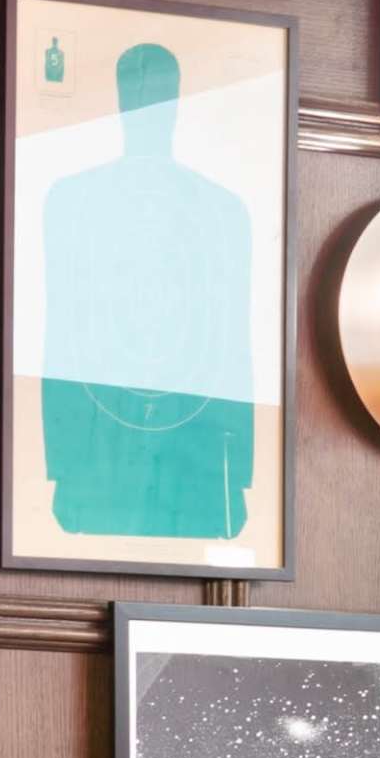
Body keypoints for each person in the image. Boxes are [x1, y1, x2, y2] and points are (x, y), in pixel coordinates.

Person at [37, 38, 256, 542]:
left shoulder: (223, 210)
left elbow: (233, 344)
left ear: (178, 102)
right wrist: (65, 459)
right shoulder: (71, 200)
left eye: (155, 95)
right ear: (118, 101)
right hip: (99, 439)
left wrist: (239, 468)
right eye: (136, 94)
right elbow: (62, 334)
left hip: (194, 437)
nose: (145, 109)